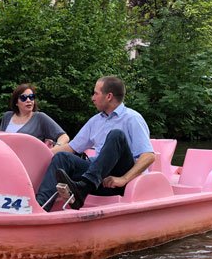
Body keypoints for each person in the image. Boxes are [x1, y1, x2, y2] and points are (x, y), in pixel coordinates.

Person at [36, 76, 155, 211]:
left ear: (109, 96)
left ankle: (83, 187)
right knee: (62, 157)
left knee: (116, 135)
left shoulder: (132, 118)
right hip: (99, 179)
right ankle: (40, 207)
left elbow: (149, 156)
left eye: (96, 93)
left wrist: (123, 179)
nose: (92, 98)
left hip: (119, 179)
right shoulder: (95, 121)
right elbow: (71, 147)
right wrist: (38, 154)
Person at [0, 83, 70, 147]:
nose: (28, 100)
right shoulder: (7, 116)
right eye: (23, 97)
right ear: (16, 102)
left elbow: (64, 137)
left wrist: (54, 149)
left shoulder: (40, 117)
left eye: (31, 97)